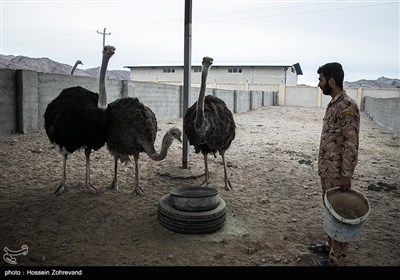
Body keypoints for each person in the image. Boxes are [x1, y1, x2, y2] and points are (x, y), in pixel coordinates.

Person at [309, 62, 360, 266]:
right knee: (330, 211)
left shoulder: (348, 106)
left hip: (338, 173)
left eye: (321, 80)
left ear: (331, 81)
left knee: (339, 215)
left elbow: (351, 143)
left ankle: (336, 261)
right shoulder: (334, 104)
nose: (318, 84)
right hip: (327, 171)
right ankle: (329, 246)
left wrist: (346, 174)